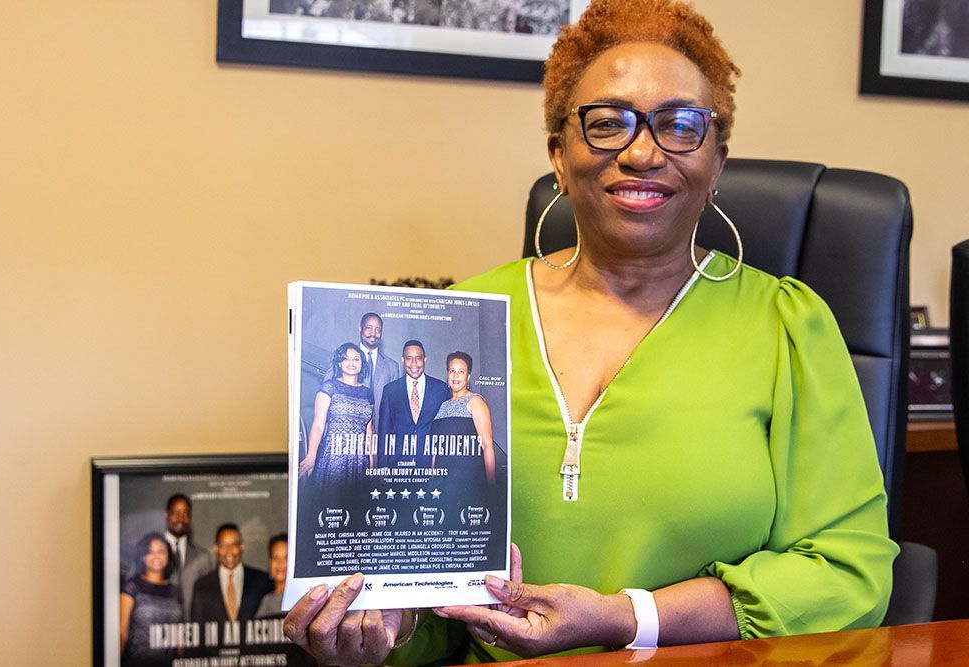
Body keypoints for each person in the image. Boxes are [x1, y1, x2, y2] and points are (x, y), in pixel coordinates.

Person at [283, 0, 897, 663]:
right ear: (558, 152)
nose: (640, 151)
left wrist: (627, 616)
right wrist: (382, 631)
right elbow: (430, 606)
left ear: (716, 162)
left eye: (680, 125)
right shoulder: (463, 320)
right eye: (607, 123)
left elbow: (848, 575)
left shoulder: (785, 327)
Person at [300, 342, 376, 490]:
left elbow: (369, 431)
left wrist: (372, 463)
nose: (351, 363)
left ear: (362, 363)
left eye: (356, 359)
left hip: (360, 460)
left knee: (357, 507)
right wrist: (311, 455)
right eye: (346, 359)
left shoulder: (368, 393)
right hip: (333, 457)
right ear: (339, 363)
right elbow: (318, 425)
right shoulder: (329, 387)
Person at [377, 340, 451, 470]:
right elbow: (384, 431)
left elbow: (446, 432)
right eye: (409, 358)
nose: (414, 364)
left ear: (425, 360)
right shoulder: (390, 390)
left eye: (418, 358)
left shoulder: (441, 389)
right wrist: (382, 466)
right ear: (403, 360)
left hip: (431, 467)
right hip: (397, 466)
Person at [325, 312, 402, 429]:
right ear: (360, 329)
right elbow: (325, 394)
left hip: (379, 435)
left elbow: (394, 407)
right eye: (368, 328)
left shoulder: (392, 367)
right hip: (346, 430)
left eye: (378, 329)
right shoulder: (343, 358)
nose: (373, 333)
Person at [429, 352, 496, 486]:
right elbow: (436, 450)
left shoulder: (475, 401)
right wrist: (432, 478)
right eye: (452, 371)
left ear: (468, 376)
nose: (455, 375)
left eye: (461, 371)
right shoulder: (443, 405)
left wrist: (491, 486)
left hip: (468, 480)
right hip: (442, 482)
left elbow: (487, 445)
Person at [120, 532, 182, 666]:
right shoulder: (132, 587)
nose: (156, 556)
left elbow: (179, 636)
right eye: (150, 552)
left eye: (161, 551)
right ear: (143, 557)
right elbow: (122, 633)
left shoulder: (176, 591)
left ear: (168, 556)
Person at [189, 524, 273, 624]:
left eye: (234, 545)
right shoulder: (201, 586)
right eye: (223, 545)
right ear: (216, 548)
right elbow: (196, 630)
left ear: (242, 546)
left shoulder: (261, 581)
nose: (229, 551)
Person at [162, 493, 214, 618]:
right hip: (160, 630)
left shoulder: (203, 557)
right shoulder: (152, 555)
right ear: (166, 515)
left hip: (193, 630)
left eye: (185, 513)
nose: (181, 518)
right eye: (176, 513)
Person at [255, 533, 289, 618]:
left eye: (286, 558)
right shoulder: (266, 600)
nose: (280, 563)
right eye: (275, 558)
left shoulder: (301, 598)